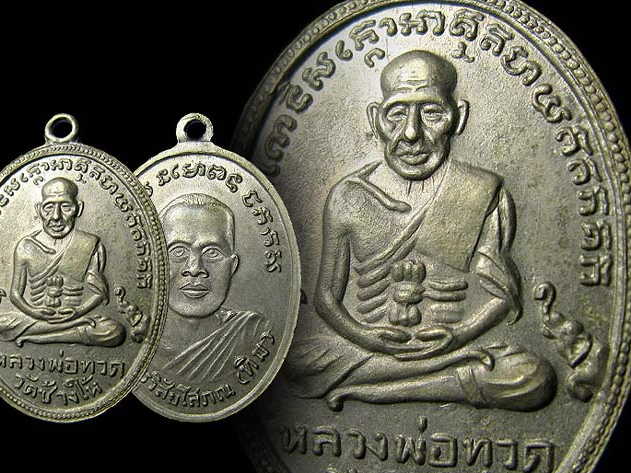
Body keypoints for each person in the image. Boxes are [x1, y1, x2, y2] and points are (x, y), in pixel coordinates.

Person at [285, 50, 556, 411]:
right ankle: (438, 378)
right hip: (369, 349)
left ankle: (375, 386)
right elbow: (326, 298)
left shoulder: (479, 192)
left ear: (458, 118)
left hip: (450, 345)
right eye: (396, 113)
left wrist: (458, 336)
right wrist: (366, 337)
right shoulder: (349, 197)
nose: (411, 132)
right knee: (294, 360)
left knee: (532, 376)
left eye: (431, 113)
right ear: (375, 119)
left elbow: (502, 295)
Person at [0, 178, 125, 347]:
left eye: (66, 207)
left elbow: (99, 293)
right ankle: (68, 332)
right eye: (48, 207)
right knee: (1, 324)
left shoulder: (89, 244)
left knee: (114, 331)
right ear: (39, 210)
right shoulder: (26, 246)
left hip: (76, 316)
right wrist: (34, 312)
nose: (56, 216)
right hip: (37, 318)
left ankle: (38, 336)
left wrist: (78, 312)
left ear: (78, 209)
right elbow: (15, 294)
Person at [154, 193, 271, 382]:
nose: (194, 268)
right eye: (178, 251)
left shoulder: (253, 332)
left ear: (232, 266)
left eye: (212, 252)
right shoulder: (138, 339)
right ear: (156, 262)